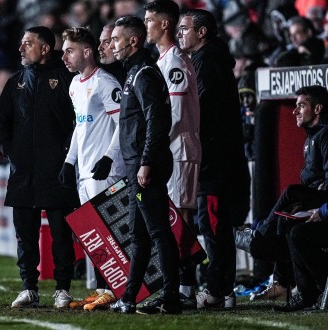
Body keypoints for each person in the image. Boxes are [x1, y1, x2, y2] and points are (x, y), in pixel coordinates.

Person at [0, 26, 81, 308]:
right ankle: (29, 287)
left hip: (57, 171)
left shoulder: (67, 78)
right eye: (21, 43)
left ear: (45, 49)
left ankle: (63, 289)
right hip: (22, 173)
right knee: (26, 236)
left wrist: (66, 154)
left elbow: (79, 121)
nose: (21, 48)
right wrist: (10, 151)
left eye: (27, 44)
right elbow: (1, 121)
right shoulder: (16, 81)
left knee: (60, 235)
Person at [108, 16, 181, 315]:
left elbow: (157, 121)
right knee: (138, 235)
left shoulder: (144, 74)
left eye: (116, 39)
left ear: (133, 41)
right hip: (136, 165)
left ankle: (171, 299)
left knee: (158, 232)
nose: (112, 45)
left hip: (144, 166)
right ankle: (128, 297)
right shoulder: (135, 72)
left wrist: (146, 162)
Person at [178, 9, 250, 309]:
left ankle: (217, 290)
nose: (180, 34)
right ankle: (224, 289)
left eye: (185, 28)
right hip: (216, 160)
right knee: (213, 228)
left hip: (214, 163)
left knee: (214, 228)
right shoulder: (209, 59)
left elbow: (200, 110)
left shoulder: (205, 62)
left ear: (202, 32)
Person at [235, 86, 328, 305]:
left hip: (322, 204)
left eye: (301, 105)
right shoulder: (310, 139)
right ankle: (295, 289)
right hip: (313, 202)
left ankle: (259, 237)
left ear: (317, 109)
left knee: (290, 194)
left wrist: (321, 209)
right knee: (286, 223)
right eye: (295, 105)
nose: (295, 111)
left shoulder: (325, 136)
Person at [59, 27, 125, 311]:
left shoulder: (105, 83)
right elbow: (80, 127)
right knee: (94, 234)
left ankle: (115, 290)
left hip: (105, 171)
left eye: (69, 50)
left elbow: (124, 123)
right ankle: (102, 289)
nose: (63, 56)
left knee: (109, 232)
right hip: (84, 171)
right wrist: (69, 162)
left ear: (87, 52)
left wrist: (109, 157)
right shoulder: (75, 85)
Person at [143, 0, 202, 309]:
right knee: (174, 219)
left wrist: (151, 151)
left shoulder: (174, 62)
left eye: (150, 20)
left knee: (181, 219)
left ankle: (185, 288)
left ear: (164, 24)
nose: (146, 26)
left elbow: (175, 114)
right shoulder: (164, 61)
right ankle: (178, 286)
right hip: (170, 150)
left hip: (177, 150)